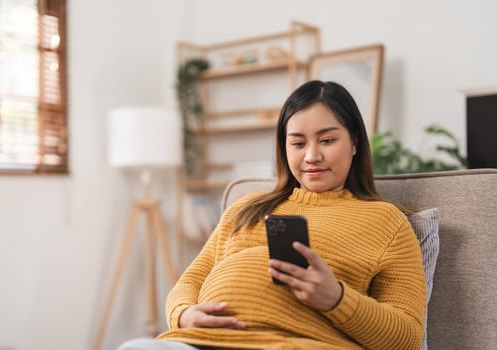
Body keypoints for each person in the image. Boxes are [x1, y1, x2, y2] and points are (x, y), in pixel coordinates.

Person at [119, 80, 426, 350]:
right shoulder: (245, 208)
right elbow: (189, 282)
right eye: (298, 143)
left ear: (355, 142)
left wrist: (336, 299)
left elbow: (408, 339)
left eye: (327, 140)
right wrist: (184, 314)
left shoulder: (387, 223)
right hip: (203, 344)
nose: (311, 156)